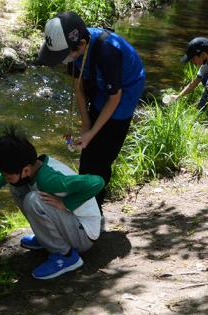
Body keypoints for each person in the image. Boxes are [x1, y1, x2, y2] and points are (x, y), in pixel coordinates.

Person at [37, 11, 145, 210]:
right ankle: (83, 201)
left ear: (82, 45)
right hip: (102, 83)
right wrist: (86, 125)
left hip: (124, 92)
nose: (62, 61)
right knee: (88, 154)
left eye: (63, 56)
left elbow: (114, 98)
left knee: (103, 155)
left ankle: (95, 208)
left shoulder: (108, 52)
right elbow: (79, 87)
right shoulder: (74, 52)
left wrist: (92, 133)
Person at [0, 126, 104, 280]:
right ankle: (47, 238)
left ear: (25, 170)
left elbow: (97, 182)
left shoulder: (50, 180)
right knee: (16, 188)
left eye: (8, 176)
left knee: (33, 200)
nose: (5, 179)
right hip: (71, 224)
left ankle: (66, 256)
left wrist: (66, 203)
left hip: (84, 235)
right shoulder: (29, 167)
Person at [170, 37, 208, 109]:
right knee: (204, 78)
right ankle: (203, 106)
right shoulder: (205, 65)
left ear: (203, 55)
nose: (192, 62)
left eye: (193, 59)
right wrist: (178, 97)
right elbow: (194, 83)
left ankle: (201, 108)